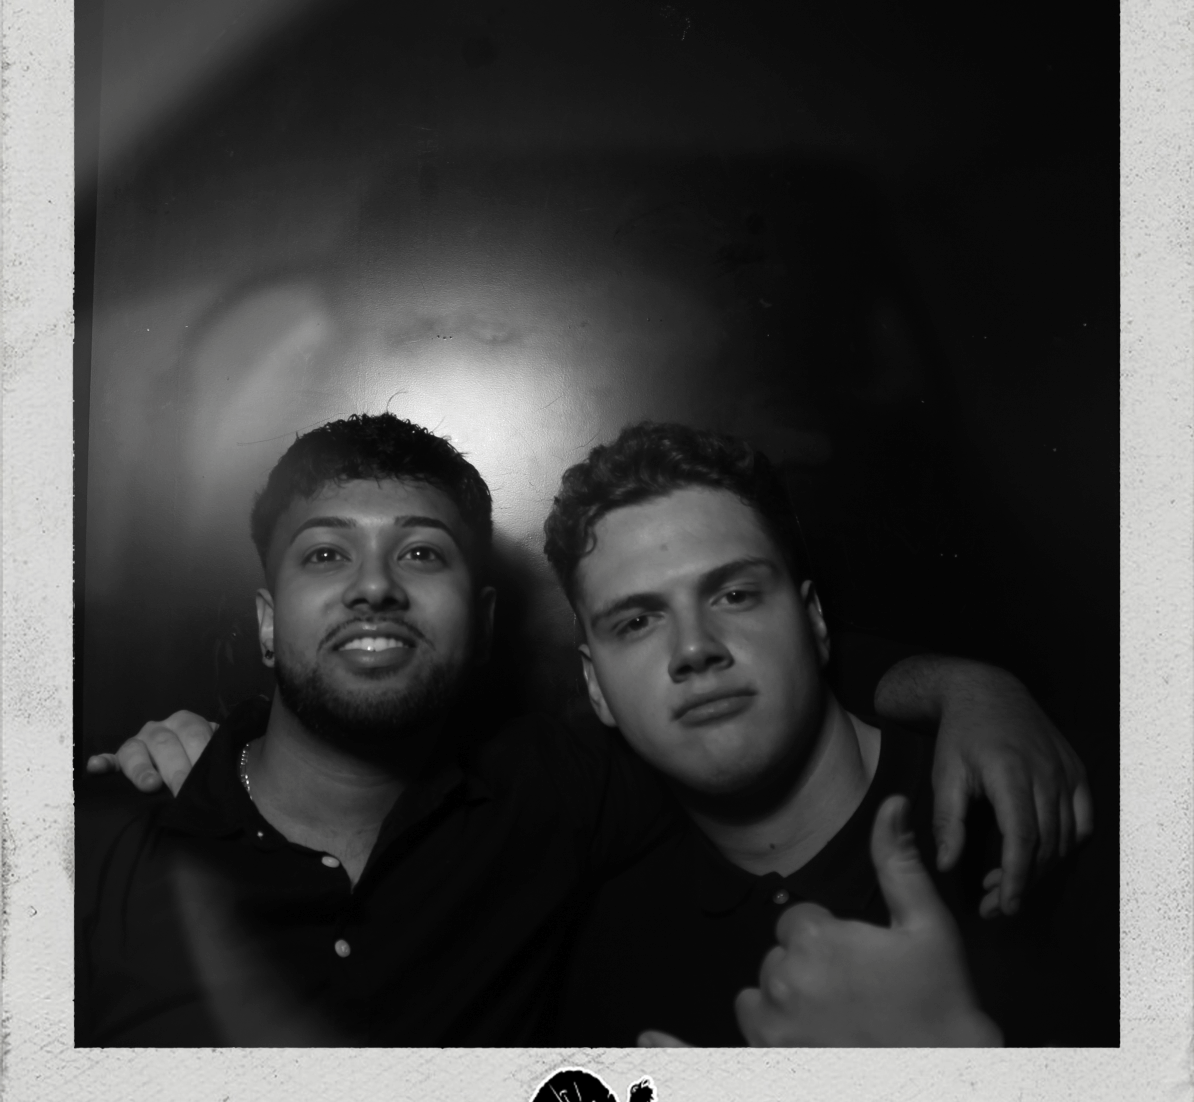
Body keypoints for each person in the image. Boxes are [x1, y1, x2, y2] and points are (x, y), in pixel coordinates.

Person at [80, 414, 1091, 1047]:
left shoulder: (555, 809)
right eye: (325, 555)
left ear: (483, 622)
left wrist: (970, 686)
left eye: (421, 553)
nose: (375, 585)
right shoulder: (102, 849)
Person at [537, 422, 1099, 1046]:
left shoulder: (1042, 802)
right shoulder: (609, 972)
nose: (694, 648)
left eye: (734, 594)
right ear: (595, 687)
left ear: (815, 622)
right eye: (637, 622)